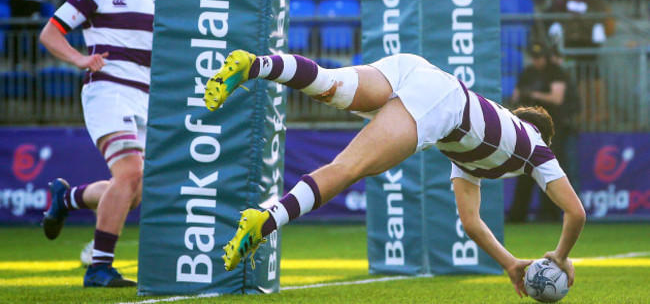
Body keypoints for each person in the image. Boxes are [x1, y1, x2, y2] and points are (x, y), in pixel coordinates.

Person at [204, 50, 586, 298]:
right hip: (441, 100)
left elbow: (472, 223)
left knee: (327, 83)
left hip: (416, 68)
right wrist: (561, 256)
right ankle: (266, 221)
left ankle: (256, 65)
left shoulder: (480, 149)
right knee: (348, 168)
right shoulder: (535, 145)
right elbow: (576, 213)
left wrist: (510, 264)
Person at [39, 0, 154, 288]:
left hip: (145, 96)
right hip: (108, 89)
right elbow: (50, 33)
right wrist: (80, 59)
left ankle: (67, 197)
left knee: (132, 192)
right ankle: (99, 268)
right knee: (130, 173)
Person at [509, 44, 573, 222]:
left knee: (550, 168)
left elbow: (557, 98)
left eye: (539, 57)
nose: (536, 60)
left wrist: (534, 94)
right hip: (528, 127)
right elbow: (515, 96)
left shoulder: (556, 72)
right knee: (524, 171)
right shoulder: (528, 72)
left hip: (551, 128)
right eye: (534, 57)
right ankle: (518, 214)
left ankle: (551, 213)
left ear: (545, 57)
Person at [548, 0, 608, 125]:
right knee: (578, 76)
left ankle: (600, 111)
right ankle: (584, 111)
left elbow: (598, 0)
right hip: (569, 32)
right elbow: (558, 2)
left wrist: (598, 24)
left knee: (593, 73)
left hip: (587, 31)